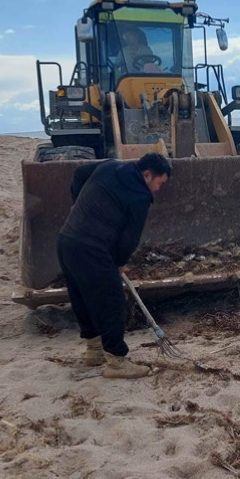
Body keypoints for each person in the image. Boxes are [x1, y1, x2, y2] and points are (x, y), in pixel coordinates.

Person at [57, 153, 172, 378]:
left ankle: (94, 352)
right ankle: (116, 362)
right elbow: (130, 238)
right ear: (147, 174)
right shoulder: (140, 196)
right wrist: (119, 262)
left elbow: (79, 174)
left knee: (82, 296)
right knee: (112, 301)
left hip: (66, 240)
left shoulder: (110, 165)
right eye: (160, 182)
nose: (158, 189)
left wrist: (79, 206)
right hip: (92, 248)